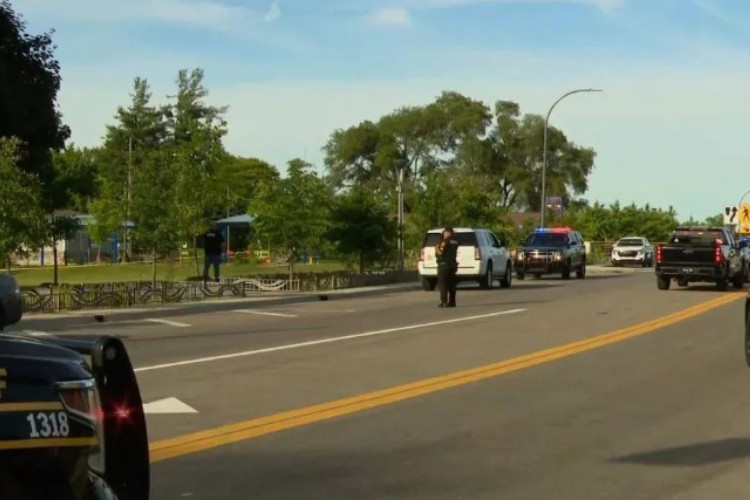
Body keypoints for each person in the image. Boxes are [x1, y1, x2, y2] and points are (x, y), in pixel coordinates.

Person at [435, 226, 459, 308]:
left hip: (444, 264)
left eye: (445, 232)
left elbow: (441, 252)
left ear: (447, 233)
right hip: (453, 264)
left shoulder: (445, 241)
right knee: (452, 284)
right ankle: (452, 302)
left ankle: (444, 301)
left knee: (443, 283)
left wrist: (436, 248)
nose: (443, 234)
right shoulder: (455, 241)